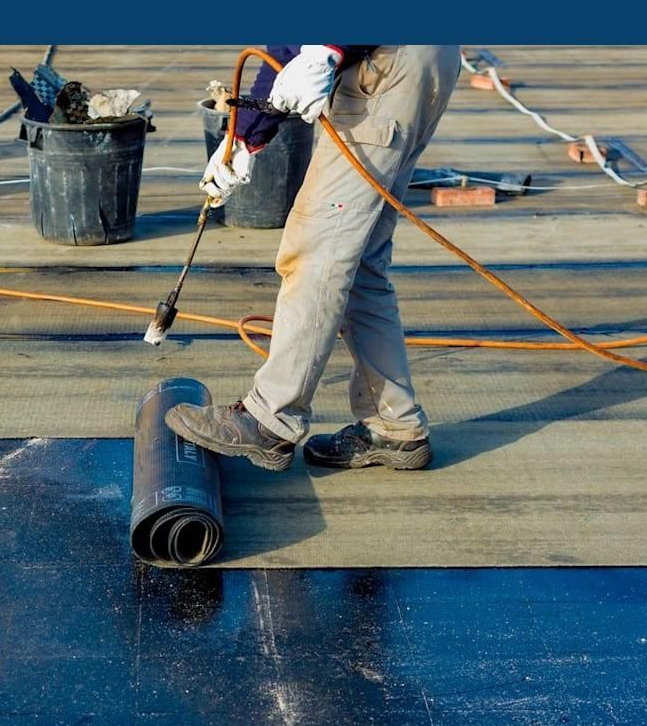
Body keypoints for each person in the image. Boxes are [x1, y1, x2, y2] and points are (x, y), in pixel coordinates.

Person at [166, 45, 461, 472]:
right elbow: (286, 48)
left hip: (386, 61)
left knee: (316, 248)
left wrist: (329, 46)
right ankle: (394, 424)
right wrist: (246, 137)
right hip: (422, 56)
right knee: (359, 260)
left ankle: (271, 419)